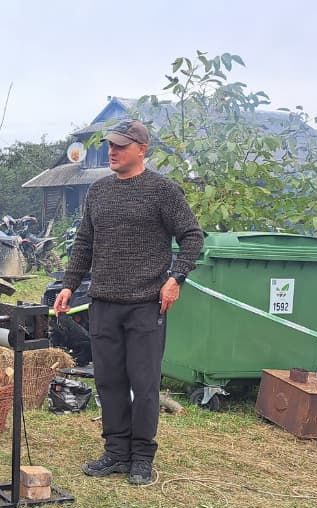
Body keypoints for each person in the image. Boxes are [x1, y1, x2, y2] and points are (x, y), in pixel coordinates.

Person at [52, 120, 204, 486]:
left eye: (120, 145)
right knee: (109, 381)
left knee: (145, 381)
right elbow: (84, 244)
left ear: (141, 149)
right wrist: (69, 285)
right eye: (110, 145)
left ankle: (141, 457)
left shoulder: (163, 191)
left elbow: (193, 237)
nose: (112, 151)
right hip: (103, 303)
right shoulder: (99, 192)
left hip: (146, 305)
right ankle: (115, 452)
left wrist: (175, 279)